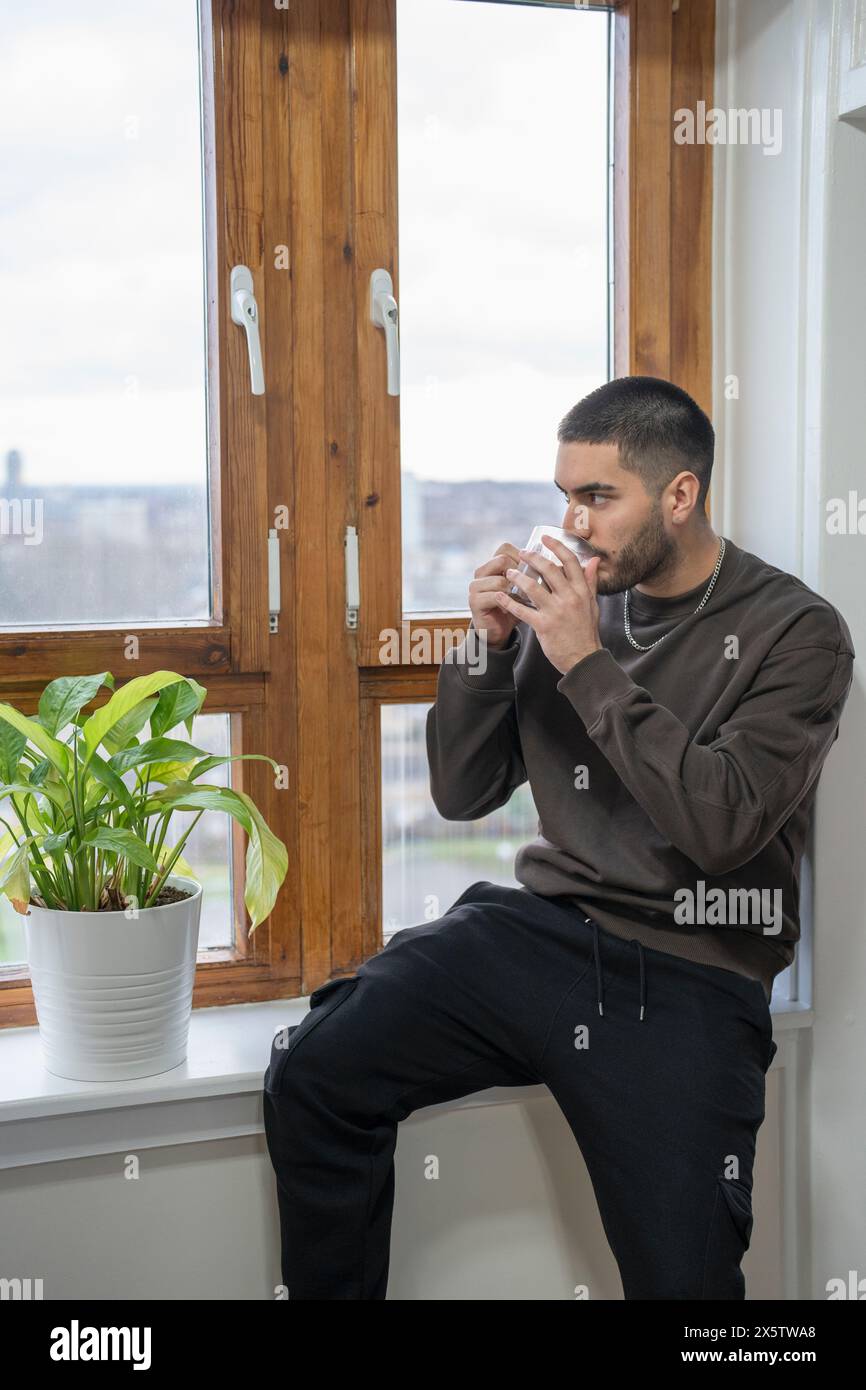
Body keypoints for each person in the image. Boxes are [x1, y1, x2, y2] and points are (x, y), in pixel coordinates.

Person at [263, 375, 855, 1300]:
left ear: (680, 495)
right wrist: (487, 647)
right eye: (564, 497)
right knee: (313, 1069)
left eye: (596, 498)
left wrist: (587, 661)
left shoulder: (798, 633)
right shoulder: (573, 601)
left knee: (688, 1284)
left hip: (692, 969)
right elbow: (462, 793)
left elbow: (723, 825)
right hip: (540, 933)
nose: (573, 524)